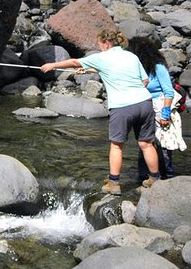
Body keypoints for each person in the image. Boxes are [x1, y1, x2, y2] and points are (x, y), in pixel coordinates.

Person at [40, 30, 160, 196]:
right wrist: (94, 71)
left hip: (122, 106)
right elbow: (144, 80)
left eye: (100, 45)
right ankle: (155, 179)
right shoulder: (131, 56)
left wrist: (52, 65)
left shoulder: (102, 57)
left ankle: (114, 183)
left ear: (107, 43)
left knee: (117, 146)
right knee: (146, 144)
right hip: (145, 103)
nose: (100, 48)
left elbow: (75, 62)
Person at [128, 37, 187, 179]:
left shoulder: (158, 67)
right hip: (144, 106)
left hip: (161, 107)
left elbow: (168, 91)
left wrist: (165, 114)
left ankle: (167, 176)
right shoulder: (137, 69)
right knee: (145, 142)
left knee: (164, 143)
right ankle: (144, 175)